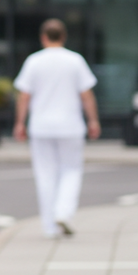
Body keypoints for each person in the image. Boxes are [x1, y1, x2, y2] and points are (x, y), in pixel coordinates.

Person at [13, 18, 100, 238]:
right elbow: (86, 95)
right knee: (71, 171)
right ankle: (63, 212)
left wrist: (20, 123)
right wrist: (93, 120)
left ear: (43, 37)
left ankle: (49, 227)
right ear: (64, 37)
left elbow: (24, 96)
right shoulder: (75, 61)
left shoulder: (34, 61)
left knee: (45, 175)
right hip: (70, 125)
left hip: (41, 126)